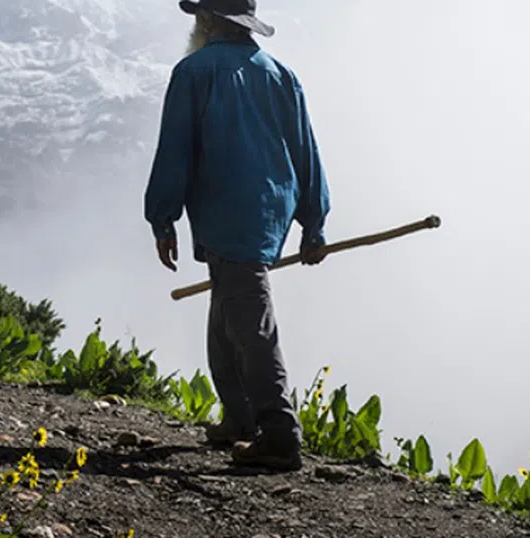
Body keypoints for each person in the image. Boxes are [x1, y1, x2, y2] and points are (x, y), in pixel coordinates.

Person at [143, 0, 331, 471]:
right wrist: (314, 221)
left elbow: (176, 149)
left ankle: (280, 434)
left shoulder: (194, 71)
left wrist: (162, 218)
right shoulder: (280, 74)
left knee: (250, 319)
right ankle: (240, 418)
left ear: (207, 21)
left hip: (227, 209)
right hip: (268, 210)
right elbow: (305, 149)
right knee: (228, 307)